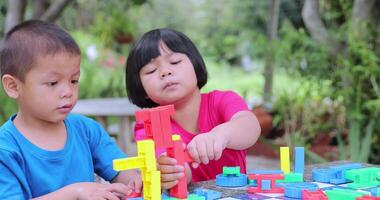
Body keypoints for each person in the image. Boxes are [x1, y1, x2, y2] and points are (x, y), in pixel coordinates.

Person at [0, 20, 141, 199]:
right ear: (13, 86)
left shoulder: (87, 130)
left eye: (74, 81)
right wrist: (75, 192)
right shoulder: (5, 150)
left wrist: (143, 179)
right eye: (52, 83)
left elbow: (125, 175)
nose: (68, 92)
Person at [125, 28, 261, 189]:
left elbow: (250, 126)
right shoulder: (149, 124)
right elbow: (180, 170)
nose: (165, 72)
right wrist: (170, 171)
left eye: (175, 62)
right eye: (151, 70)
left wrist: (221, 135)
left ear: (195, 65)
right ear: (141, 87)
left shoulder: (223, 100)